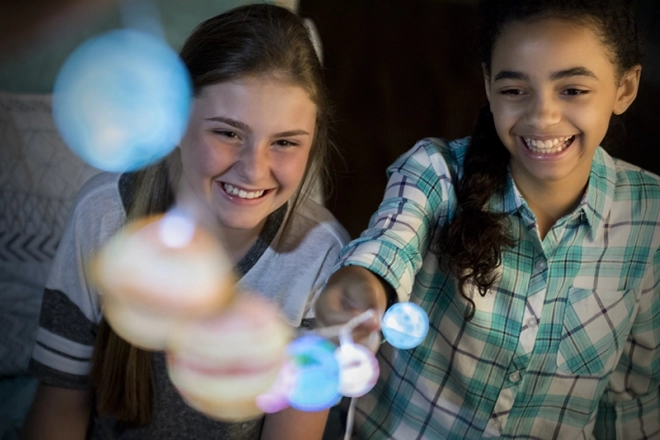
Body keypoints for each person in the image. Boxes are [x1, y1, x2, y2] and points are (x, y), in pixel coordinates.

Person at [315, 0, 660, 438]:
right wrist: (361, 286)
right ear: (487, 85)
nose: (542, 116)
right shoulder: (435, 172)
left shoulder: (650, 217)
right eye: (515, 90)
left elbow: (634, 401)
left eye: (572, 90)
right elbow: (388, 246)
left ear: (625, 88)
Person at [21, 4, 349, 440]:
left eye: (285, 142)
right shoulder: (104, 217)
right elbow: (59, 409)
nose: (253, 170)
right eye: (228, 133)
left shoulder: (321, 252)